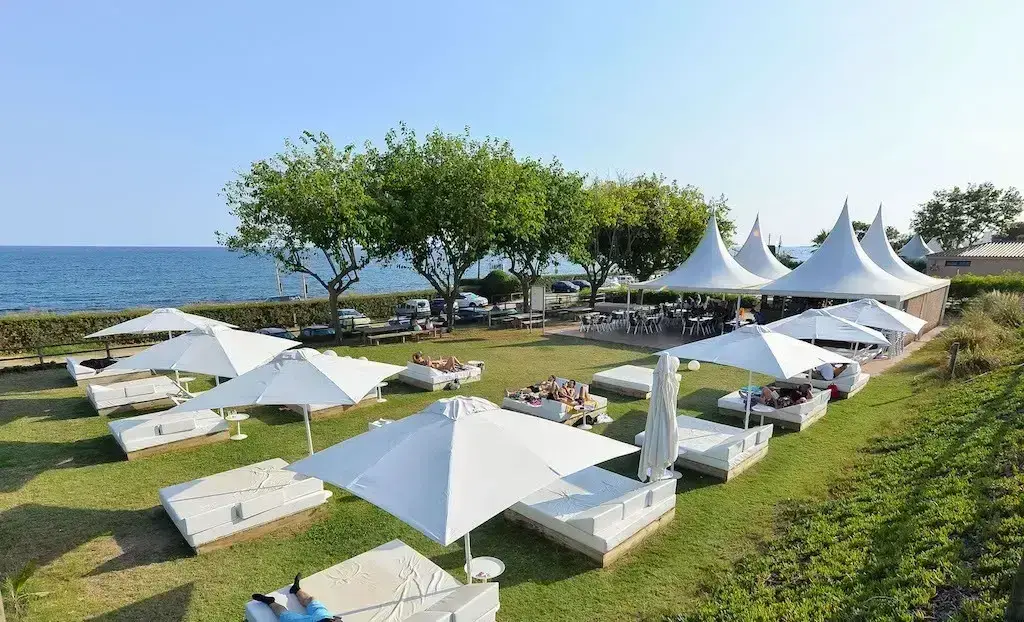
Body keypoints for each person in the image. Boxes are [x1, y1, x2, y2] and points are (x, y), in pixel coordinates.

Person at [251, 573, 343, 622]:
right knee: (312, 600)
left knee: (284, 615)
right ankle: (296, 589)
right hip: (324, 617)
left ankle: (270, 601)